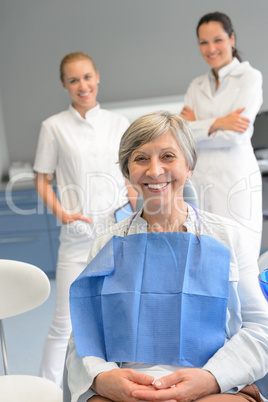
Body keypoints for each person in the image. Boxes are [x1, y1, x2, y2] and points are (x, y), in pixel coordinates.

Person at [65, 111, 268, 402]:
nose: (155, 171)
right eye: (141, 158)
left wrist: (211, 378)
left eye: (168, 156)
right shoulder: (106, 243)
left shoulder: (228, 237)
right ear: (127, 171)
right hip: (128, 388)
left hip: (211, 383)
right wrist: (101, 376)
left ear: (189, 166)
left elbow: (261, 328)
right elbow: (84, 332)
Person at [33, 51, 134, 386]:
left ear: (98, 77)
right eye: (74, 80)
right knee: (64, 321)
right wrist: (62, 213)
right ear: (64, 85)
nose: (83, 85)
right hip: (77, 236)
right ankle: (46, 389)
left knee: (118, 313)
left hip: (118, 232)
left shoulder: (119, 124)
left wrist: (135, 208)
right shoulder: (54, 127)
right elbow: (41, 178)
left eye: (87, 77)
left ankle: (116, 384)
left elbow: (130, 176)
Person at [180, 11, 263, 260]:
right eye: (204, 42)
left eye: (217, 40)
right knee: (208, 258)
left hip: (236, 180)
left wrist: (199, 124)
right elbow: (183, 133)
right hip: (202, 180)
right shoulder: (196, 86)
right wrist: (219, 122)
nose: (211, 48)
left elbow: (235, 136)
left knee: (242, 258)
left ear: (232, 38)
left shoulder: (249, 77)